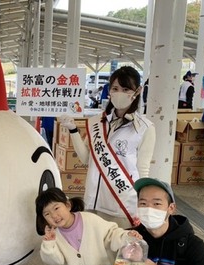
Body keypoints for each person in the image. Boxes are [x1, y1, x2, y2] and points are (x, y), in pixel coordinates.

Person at [60, 66, 156, 228]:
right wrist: (73, 130)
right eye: (115, 88)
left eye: (126, 89)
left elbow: (143, 170)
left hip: (121, 203)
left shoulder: (145, 128)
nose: (119, 93)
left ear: (137, 91)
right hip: (93, 202)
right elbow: (86, 159)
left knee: (120, 250)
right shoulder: (95, 122)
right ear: (109, 90)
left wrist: (143, 205)